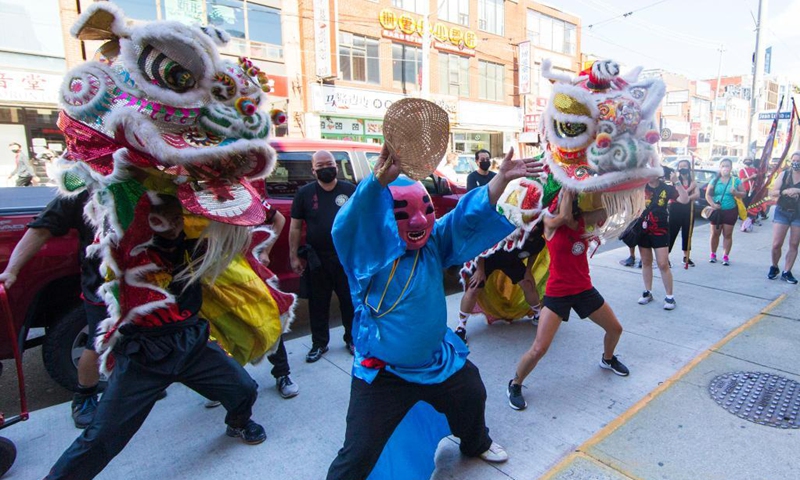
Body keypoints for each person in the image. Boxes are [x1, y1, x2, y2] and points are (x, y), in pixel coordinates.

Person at [326, 145, 543, 479]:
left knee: (472, 392)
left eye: (425, 209)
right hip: (383, 373)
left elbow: (462, 218)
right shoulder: (368, 257)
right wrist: (374, 185)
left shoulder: (432, 243)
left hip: (436, 361)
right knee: (357, 455)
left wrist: (499, 180)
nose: (418, 220)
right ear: (384, 218)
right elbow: (349, 227)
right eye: (403, 213)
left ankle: (475, 443)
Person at [45, 195, 267, 480]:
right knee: (102, 435)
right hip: (143, 354)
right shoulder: (128, 251)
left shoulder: (194, 243)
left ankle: (238, 422)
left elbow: (235, 220)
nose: (173, 227)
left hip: (191, 342)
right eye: (162, 220)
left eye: (177, 219)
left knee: (244, 389)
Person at [508, 189, 628, 411]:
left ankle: (608, 359)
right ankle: (515, 383)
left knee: (615, 329)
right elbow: (563, 216)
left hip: (583, 289)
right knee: (539, 348)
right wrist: (568, 185)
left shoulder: (582, 220)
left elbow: (609, 210)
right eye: (566, 195)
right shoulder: (550, 222)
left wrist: (626, 195)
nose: (570, 197)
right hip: (558, 293)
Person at [0, 191, 105, 428]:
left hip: (147, 282)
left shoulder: (148, 176)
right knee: (99, 341)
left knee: (144, 336)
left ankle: (135, 384)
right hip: (103, 285)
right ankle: (84, 398)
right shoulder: (82, 184)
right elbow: (41, 229)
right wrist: (12, 269)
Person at [289, 150, 356, 362]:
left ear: (336, 166)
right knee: (318, 303)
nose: (326, 168)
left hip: (345, 257)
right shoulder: (305, 194)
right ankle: (319, 344)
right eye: (321, 165)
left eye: (329, 163)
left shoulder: (350, 190)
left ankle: (352, 339)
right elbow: (295, 227)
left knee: (349, 300)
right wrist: (294, 256)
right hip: (317, 259)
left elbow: (361, 222)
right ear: (313, 170)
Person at [456, 226, 544, 342]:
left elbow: (533, 253)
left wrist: (528, 271)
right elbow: (482, 240)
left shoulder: (539, 241)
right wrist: (480, 270)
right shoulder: (512, 227)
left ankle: (538, 315)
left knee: (528, 284)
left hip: (510, 260)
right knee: (474, 287)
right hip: (488, 257)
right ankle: (460, 328)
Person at [637, 169, 689, 309]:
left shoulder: (667, 188)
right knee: (646, 262)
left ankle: (670, 297)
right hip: (643, 229)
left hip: (660, 229)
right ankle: (648, 292)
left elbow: (685, 200)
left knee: (662, 263)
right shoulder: (640, 187)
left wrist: (677, 181)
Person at [767, 152, 800, 284]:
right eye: (794, 160)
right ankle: (774, 266)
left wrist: (797, 190)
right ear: (791, 161)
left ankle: (787, 271)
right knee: (776, 244)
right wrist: (784, 192)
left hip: (798, 214)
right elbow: (772, 192)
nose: (796, 163)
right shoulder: (784, 174)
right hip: (783, 211)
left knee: (794, 244)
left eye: (799, 160)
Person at [705, 158, 745, 266]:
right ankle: (713, 254)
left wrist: (736, 192)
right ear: (720, 167)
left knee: (727, 234)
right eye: (723, 166)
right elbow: (708, 194)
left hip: (730, 210)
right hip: (717, 211)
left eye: (727, 166)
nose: (725, 168)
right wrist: (713, 204)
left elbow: (744, 194)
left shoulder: (735, 180)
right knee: (715, 233)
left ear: (731, 168)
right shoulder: (715, 180)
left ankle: (725, 255)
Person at [668, 160, 700, 265]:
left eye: (685, 166)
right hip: (676, 208)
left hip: (689, 209)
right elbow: (678, 195)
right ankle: (665, 256)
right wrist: (690, 190)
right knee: (672, 233)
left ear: (689, 167)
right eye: (680, 166)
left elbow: (697, 195)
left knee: (687, 232)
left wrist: (687, 198)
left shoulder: (693, 181)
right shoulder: (675, 181)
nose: (682, 168)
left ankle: (686, 256)